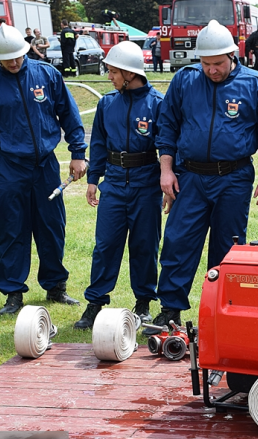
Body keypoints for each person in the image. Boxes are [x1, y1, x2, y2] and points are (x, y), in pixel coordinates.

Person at [147, 20, 258, 334]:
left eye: (218, 64)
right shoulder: (185, 80)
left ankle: (223, 314)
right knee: (178, 241)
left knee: (229, 249)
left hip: (234, 178)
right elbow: (166, 127)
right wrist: (166, 171)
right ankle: (170, 309)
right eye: (206, 64)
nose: (212, 70)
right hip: (190, 177)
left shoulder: (256, 84)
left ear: (232, 55)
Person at [0, 25, 88, 316]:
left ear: (25, 50)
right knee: (12, 230)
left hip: (46, 166)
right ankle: (13, 293)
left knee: (52, 228)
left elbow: (69, 113)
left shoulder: (47, 74)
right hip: (10, 168)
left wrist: (78, 153)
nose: (14, 63)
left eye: (17, 57)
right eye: (7, 60)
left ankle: (56, 287)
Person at [74, 42, 164, 329]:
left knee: (145, 245)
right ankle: (95, 303)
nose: (109, 77)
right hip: (112, 182)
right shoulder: (107, 103)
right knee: (106, 245)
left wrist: (167, 184)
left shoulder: (157, 104)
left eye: (113, 71)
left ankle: (144, 304)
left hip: (146, 183)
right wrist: (92, 180)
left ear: (128, 73)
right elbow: (98, 144)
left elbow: (168, 147)